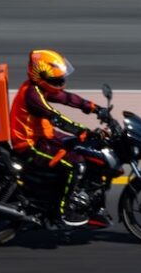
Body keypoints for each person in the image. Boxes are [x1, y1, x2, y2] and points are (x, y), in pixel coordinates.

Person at [10, 49, 106, 226]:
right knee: (75, 163)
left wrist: (95, 108)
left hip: (45, 135)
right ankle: (62, 211)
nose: (60, 82)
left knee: (84, 149)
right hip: (30, 145)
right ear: (41, 76)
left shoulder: (40, 88)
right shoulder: (32, 95)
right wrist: (83, 131)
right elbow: (56, 118)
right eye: (56, 79)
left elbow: (67, 98)